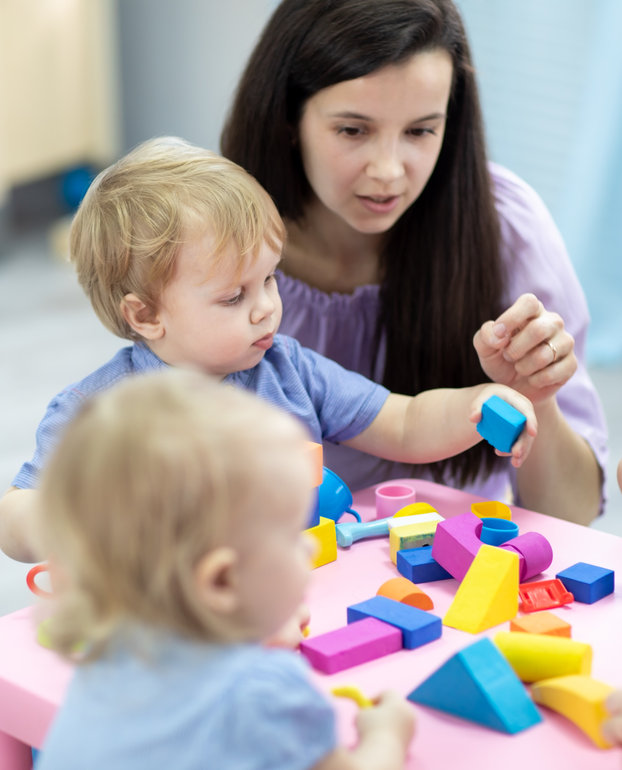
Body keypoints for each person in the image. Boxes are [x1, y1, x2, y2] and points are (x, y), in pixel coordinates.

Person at [0, 137, 536, 563]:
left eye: (269, 280)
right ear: (146, 315)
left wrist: (477, 404)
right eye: (233, 296)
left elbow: (405, 420)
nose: (265, 310)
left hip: (297, 591)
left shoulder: (289, 368)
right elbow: (14, 517)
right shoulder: (98, 413)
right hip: (173, 627)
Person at [220, 0, 607, 524]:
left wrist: (535, 398)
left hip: (455, 568)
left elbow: (572, 514)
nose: (388, 172)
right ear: (289, 116)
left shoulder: (506, 227)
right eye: (353, 131)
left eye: (421, 131)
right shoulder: (214, 236)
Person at [34, 369, 416, 769]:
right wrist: (387, 736)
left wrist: (249, 631)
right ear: (221, 581)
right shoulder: (265, 695)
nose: (307, 545)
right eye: (291, 534)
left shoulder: (105, 661)